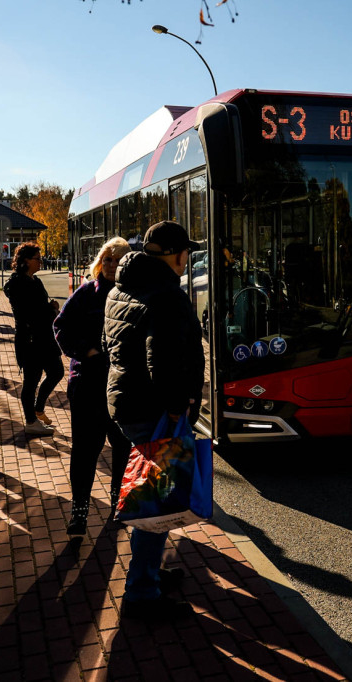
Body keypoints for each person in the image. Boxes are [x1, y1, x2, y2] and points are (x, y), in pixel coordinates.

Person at [103, 221, 204, 620]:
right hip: (154, 410)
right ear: (175, 255)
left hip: (126, 403)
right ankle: (142, 592)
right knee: (155, 502)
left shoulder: (121, 285)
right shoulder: (166, 295)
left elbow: (112, 343)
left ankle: (150, 573)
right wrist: (178, 408)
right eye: (186, 253)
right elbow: (160, 361)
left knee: (153, 495)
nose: (188, 260)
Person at [53, 237, 132, 535]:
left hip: (124, 387)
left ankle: (118, 502)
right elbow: (60, 326)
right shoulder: (87, 293)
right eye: (107, 259)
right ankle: (80, 510)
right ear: (100, 261)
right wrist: (85, 350)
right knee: (85, 450)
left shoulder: (133, 296)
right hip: (88, 384)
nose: (112, 265)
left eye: (118, 260)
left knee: (123, 448)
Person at [3, 242, 62, 437]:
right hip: (30, 340)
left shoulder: (35, 281)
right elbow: (29, 313)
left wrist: (48, 309)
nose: (41, 262)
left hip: (45, 336)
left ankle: (38, 408)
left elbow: (38, 308)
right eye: (37, 258)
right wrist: (52, 309)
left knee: (56, 372)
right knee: (31, 382)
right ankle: (31, 421)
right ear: (26, 261)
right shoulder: (15, 284)